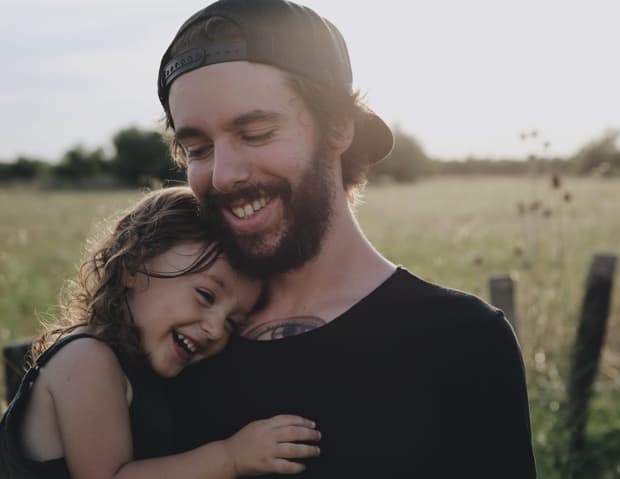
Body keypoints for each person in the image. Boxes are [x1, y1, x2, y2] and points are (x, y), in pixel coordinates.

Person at [159, 0, 536, 476]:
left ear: (338, 127)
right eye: (198, 148)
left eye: (255, 133)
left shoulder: (460, 341)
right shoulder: (178, 340)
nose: (224, 175)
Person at [0, 187, 322, 478]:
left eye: (231, 323)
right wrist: (231, 458)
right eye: (206, 296)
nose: (214, 329)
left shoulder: (142, 370)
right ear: (134, 264)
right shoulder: (87, 360)